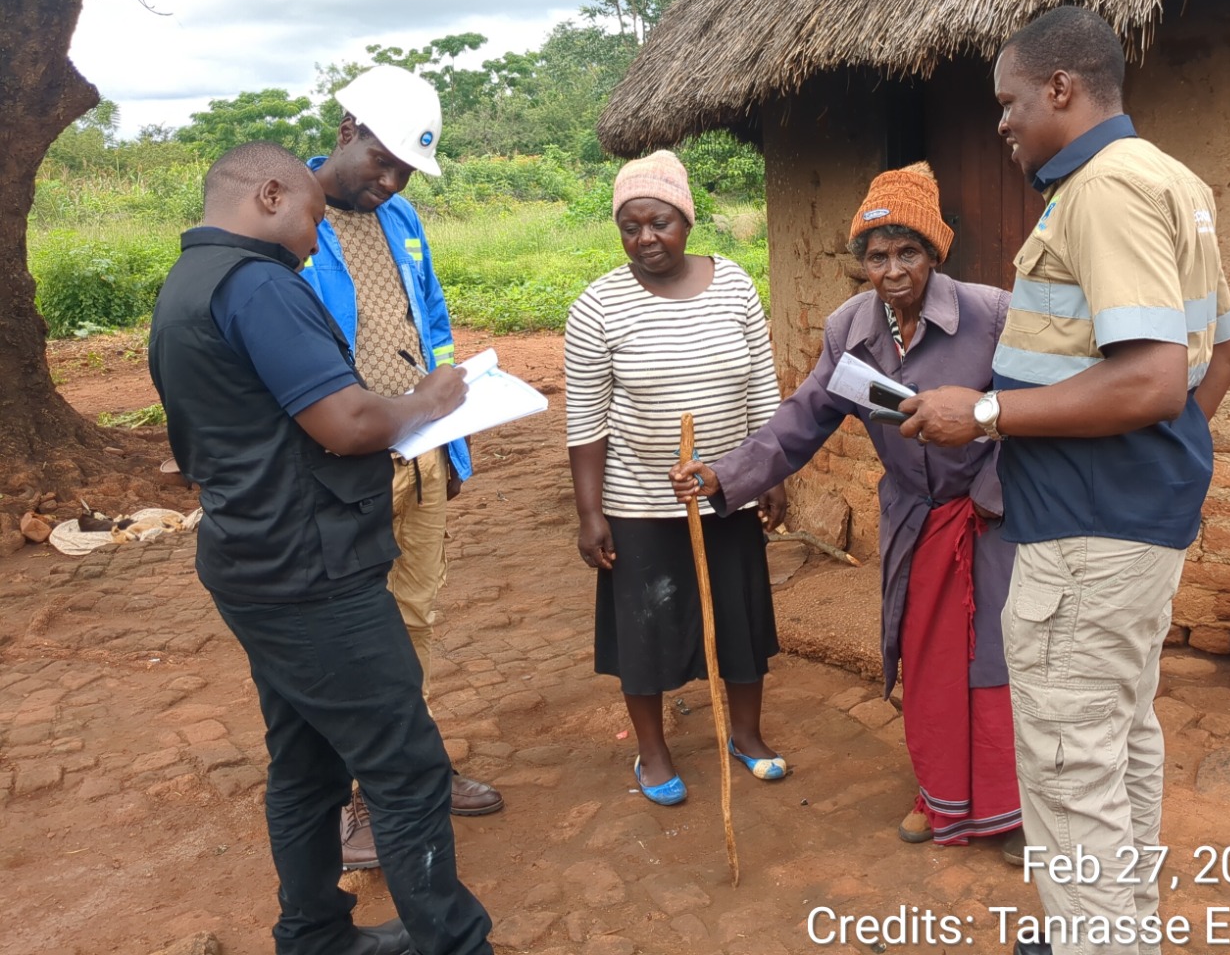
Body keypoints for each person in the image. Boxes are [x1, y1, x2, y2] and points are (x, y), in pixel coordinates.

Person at [900, 6, 1230, 955]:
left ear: (1061, 88)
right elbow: (1222, 355)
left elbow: (1152, 379)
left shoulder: (1104, 191)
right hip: (1133, 528)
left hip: (1086, 542)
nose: (1001, 122)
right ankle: (1121, 932)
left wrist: (984, 413)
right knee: (1118, 739)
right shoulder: (1172, 180)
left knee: (1067, 771)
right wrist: (1156, 468)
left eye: (1009, 102)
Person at [148, 142, 494, 955]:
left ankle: (314, 936)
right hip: (315, 574)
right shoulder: (261, 286)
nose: (315, 239)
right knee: (406, 766)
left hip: (253, 559)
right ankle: (454, 943)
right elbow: (347, 423)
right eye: (310, 218)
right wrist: (427, 398)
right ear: (270, 195)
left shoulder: (188, 283)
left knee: (306, 762)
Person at [670, 162, 1026, 858]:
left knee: (996, 661)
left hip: (989, 519)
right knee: (925, 660)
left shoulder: (991, 315)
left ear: (934, 252)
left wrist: (992, 461)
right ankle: (940, 795)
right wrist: (723, 476)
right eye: (876, 256)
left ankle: (1011, 811)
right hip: (914, 523)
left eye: (908, 252)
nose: (892, 271)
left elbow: (1033, 409)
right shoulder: (849, 330)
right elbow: (799, 423)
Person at [298, 64, 502, 870]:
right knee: (352, 635)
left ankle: (411, 766)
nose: (390, 182)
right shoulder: (289, 221)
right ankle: (358, 796)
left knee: (413, 617)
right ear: (346, 131)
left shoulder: (403, 218)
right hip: (341, 468)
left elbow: (432, 326)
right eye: (382, 162)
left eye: (406, 172)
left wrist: (451, 442)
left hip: (418, 459)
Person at [564, 150, 788, 804]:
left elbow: (761, 387)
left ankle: (745, 735)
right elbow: (585, 421)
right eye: (629, 226)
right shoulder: (598, 307)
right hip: (638, 499)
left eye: (658, 222)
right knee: (645, 627)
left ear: (687, 220)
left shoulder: (735, 284)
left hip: (730, 493)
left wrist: (767, 472)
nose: (645, 238)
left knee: (739, 617)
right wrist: (590, 512)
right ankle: (653, 752)